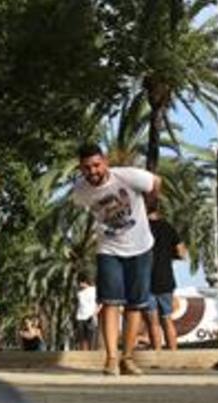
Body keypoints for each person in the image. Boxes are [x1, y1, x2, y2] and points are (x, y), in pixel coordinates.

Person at [69, 143, 161, 376]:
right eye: (86, 168)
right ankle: (111, 358)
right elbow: (84, 207)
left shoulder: (129, 177)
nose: (93, 172)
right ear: (80, 169)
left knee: (135, 304)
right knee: (109, 302)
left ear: (106, 162)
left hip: (140, 247)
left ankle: (127, 357)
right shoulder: (81, 191)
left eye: (97, 165)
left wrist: (151, 206)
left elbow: (156, 182)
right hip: (109, 249)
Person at [148, 198, 188, 350]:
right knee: (167, 319)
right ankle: (173, 354)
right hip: (165, 278)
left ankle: (157, 356)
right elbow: (182, 253)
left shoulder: (141, 228)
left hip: (146, 280)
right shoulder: (168, 228)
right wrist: (170, 255)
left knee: (152, 322)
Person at [73, 273, 99, 350]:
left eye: (79, 282)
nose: (78, 285)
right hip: (80, 317)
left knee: (91, 338)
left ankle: (90, 355)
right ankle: (83, 354)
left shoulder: (94, 290)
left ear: (83, 282)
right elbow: (79, 305)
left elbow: (100, 303)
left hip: (90, 317)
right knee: (82, 338)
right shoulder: (79, 293)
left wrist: (95, 313)